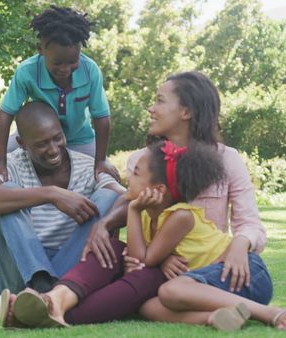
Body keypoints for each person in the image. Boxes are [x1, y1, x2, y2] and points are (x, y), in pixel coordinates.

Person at [0, 5, 119, 266]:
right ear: (41, 49)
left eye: (73, 61)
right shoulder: (26, 72)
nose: (66, 68)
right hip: (39, 136)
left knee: (109, 180)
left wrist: (101, 160)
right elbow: (4, 118)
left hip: (80, 139)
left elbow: (102, 118)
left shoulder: (90, 71)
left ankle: (105, 253)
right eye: (58, 62)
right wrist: (0, 161)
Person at [3, 140, 229, 328]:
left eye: (136, 173)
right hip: (163, 276)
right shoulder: (145, 212)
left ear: (158, 190)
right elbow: (136, 253)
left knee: (147, 273)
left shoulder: (178, 216)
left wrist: (134, 211)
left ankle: (46, 317)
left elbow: (143, 260)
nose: (128, 176)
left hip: (194, 282)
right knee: (113, 249)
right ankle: (54, 298)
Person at [82, 71, 267, 294]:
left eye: (160, 101)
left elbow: (250, 224)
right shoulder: (141, 161)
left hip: (210, 267)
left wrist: (240, 244)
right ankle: (58, 298)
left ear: (186, 111)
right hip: (159, 269)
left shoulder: (228, 159)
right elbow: (137, 218)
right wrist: (159, 258)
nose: (151, 109)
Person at [0, 102, 124, 301]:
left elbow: (126, 199)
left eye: (57, 138)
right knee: (6, 192)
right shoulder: (10, 165)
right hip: (18, 279)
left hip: (71, 271)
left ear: (63, 132)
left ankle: (47, 294)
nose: (52, 150)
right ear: (22, 143)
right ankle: (39, 282)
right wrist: (52, 194)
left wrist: (104, 224)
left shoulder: (88, 168)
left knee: (109, 196)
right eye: (42, 144)